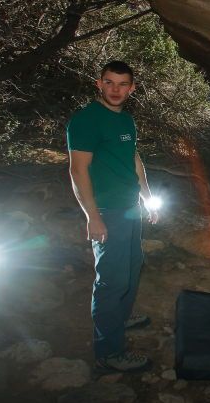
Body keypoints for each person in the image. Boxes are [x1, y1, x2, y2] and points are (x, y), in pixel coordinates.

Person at [67, 61, 159, 372]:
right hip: (108, 210)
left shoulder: (127, 121)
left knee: (132, 268)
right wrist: (92, 216)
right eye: (109, 83)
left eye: (122, 84)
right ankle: (109, 352)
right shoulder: (86, 121)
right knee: (111, 280)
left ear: (132, 88)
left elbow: (133, 157)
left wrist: (147, 197)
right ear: (99, 84)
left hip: (130, 206)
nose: (115, 90)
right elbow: (77, 170)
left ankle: (119, 318)